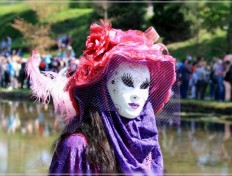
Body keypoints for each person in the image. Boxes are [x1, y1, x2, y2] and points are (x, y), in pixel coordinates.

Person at [26, 20, 178, 175]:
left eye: (145, 85)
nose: (137, 94)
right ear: (103, 87)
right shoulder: (78, 147)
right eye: (127, 82)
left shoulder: (146, 142)